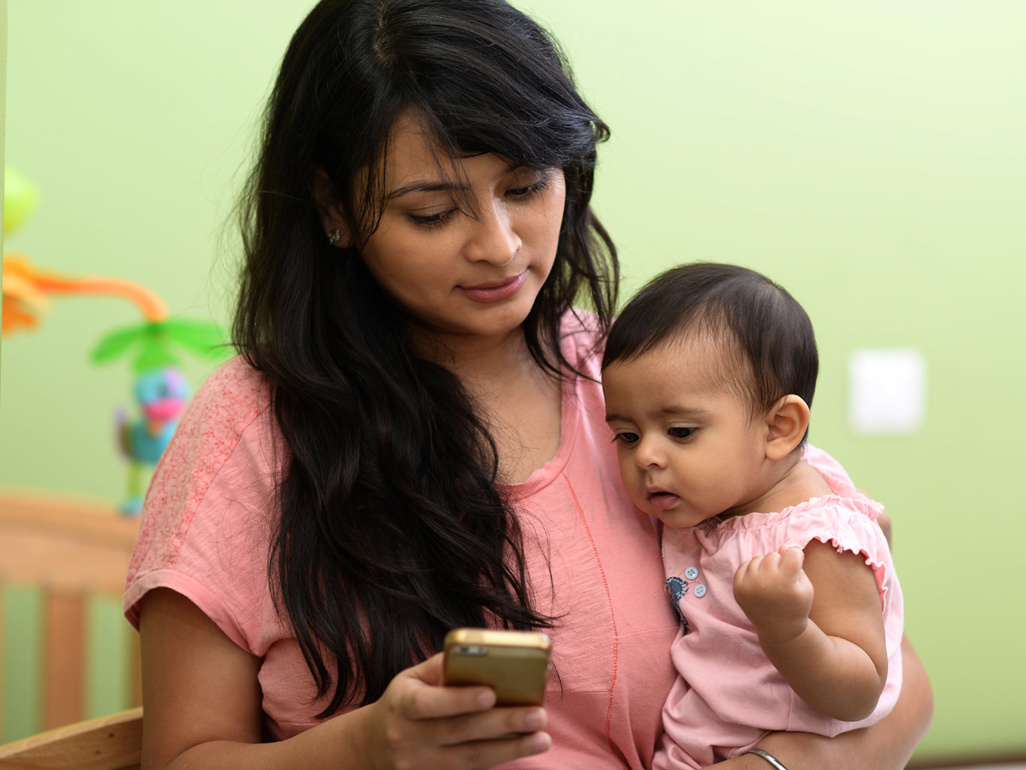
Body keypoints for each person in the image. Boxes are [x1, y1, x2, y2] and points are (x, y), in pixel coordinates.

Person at [123, 1, 933, 767]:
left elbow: (900, 694)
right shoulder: (251, 427)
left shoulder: (634, 391)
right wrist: (363, 751)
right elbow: (183, 757)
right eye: (433, 213)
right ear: (333, 206)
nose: (502, 247)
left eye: (525, 186)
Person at [601, 262, 905, 769]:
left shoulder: (813, 541)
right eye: (627, 436)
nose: (645, 457)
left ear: (779, 428)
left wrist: (788, 630)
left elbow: (860, 693)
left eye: (679, 432)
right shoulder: (718, 500)